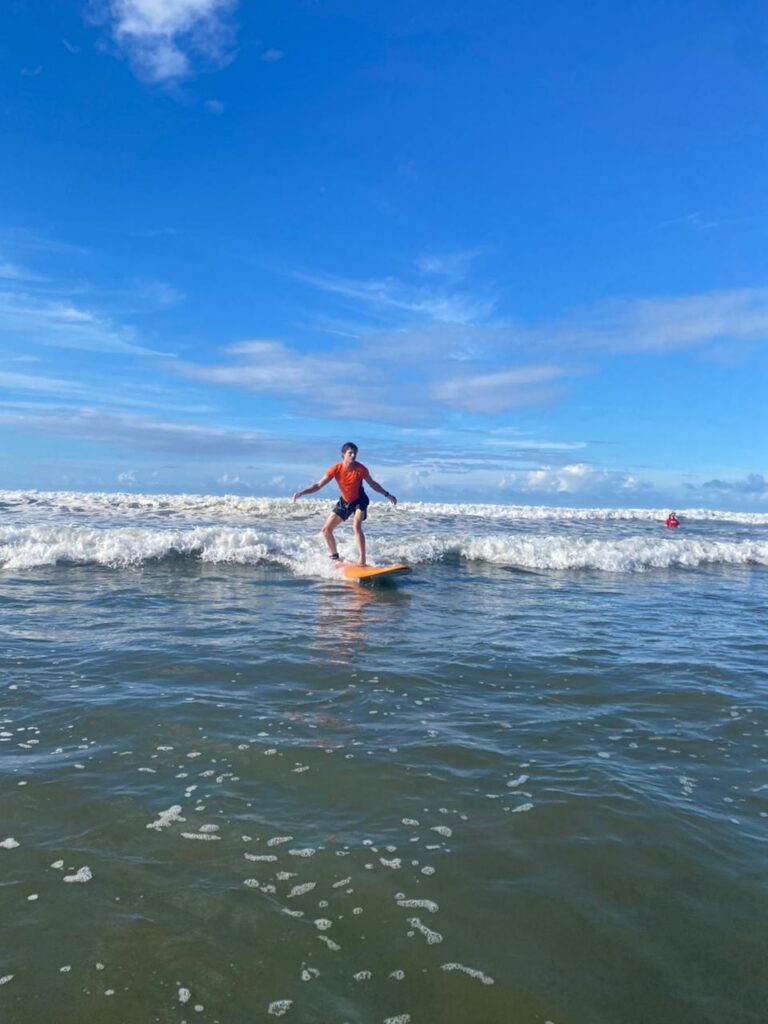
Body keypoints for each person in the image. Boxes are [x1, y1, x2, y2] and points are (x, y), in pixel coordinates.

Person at [292, 442, 397, 566]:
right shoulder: (335, 469)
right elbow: (318, 485)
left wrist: (387, 494)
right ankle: (335, 558)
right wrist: (302, 492)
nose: (353, 456)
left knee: (356, 526)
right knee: (326, 530)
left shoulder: (360, 469)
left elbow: (372, 484)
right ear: (343, 454)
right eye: (350, 453)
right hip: (346, 501)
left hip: (360, 500)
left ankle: (362, 561)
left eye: (355, 453)